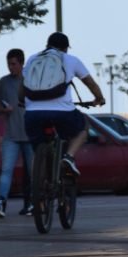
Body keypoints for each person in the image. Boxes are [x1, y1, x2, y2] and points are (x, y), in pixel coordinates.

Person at [22, 32, 106, 178]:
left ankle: (37, 192)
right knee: (83, 127)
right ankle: (69, 157)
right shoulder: (71, 60)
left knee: (37, 151)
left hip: (32, 113)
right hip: (62, 113)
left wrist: (21, 102)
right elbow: (91, 84)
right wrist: (99, 98)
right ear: (66, 48)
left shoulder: (32, 59)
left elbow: (21, 86)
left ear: (47, 45)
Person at [0, 49, 35, 219]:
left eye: (13, 64)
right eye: (8, 64)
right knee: (6, 170)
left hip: (30, 135)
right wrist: (4, 109)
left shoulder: (31, 81)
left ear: (22, 64)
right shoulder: (3, 82)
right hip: (11, 136)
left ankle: (34, 204)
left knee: (33, 171)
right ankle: (0, 202)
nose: (10, 67)